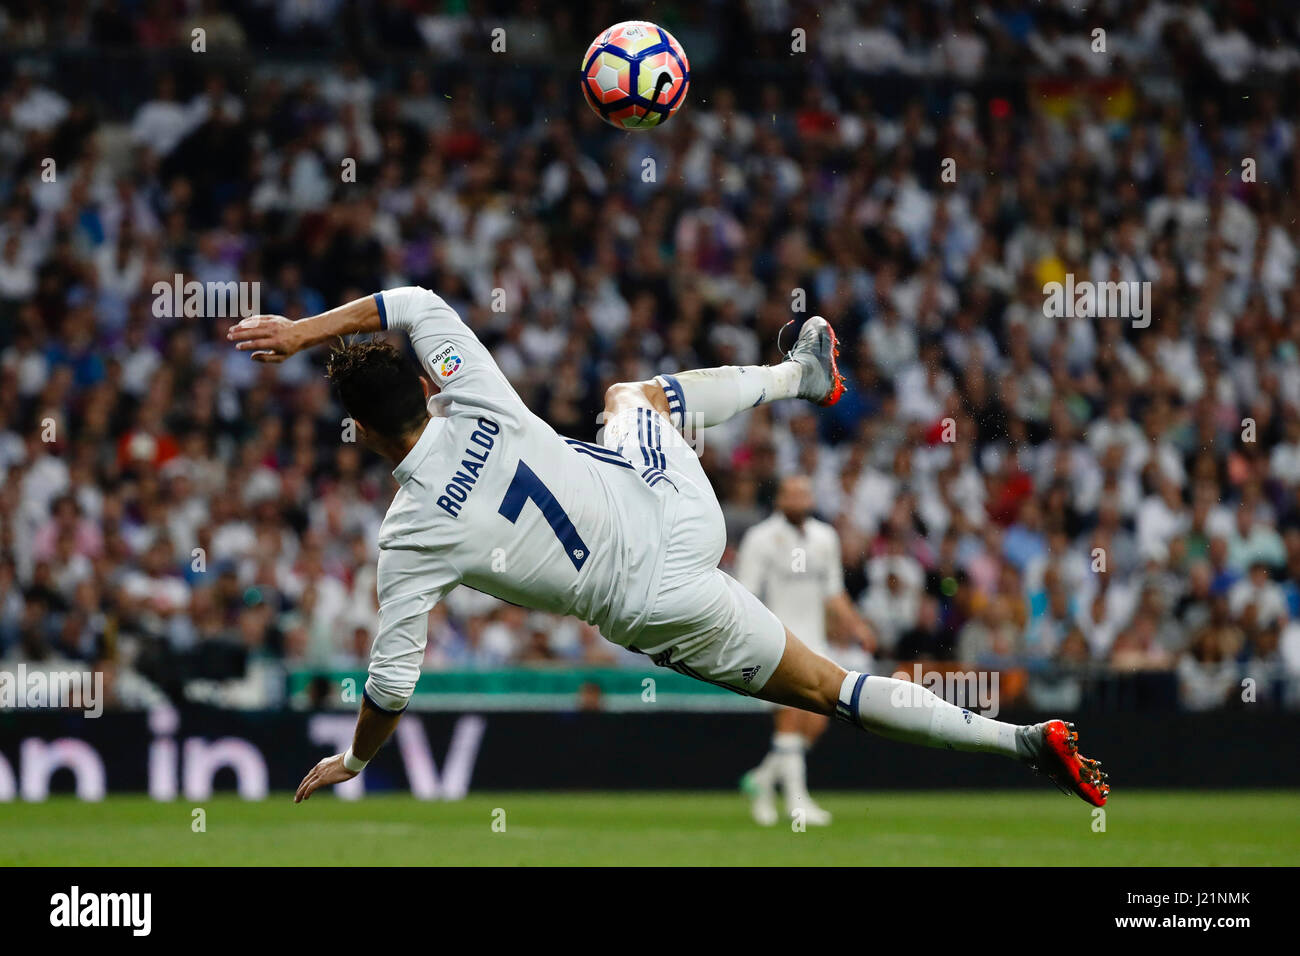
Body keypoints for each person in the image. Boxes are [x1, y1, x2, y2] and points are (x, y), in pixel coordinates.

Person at [226, 286, 1108, 808]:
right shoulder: (478, 396)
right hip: (675, 507)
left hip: (656, 605)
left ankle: (1026, 745)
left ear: (361, 433)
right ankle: (798, 377)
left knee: (833, 690)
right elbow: (411, 304)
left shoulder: (409, 538)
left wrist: (354, 760)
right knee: (631, 396)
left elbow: (390, 687)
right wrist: (303, 331)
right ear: (427, 383)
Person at [735, 474, 877, 825]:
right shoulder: (760, 539)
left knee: (816, 722)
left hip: (815, 644)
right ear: (780, 500)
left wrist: (857, 626)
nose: (798, 501)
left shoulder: (825, 538)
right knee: (789, 720)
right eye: (791, 495)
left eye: (804, 495)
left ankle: (764, 781)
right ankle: (798, 803)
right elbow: (745, 594)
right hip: (777, 642)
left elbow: (833, 593)